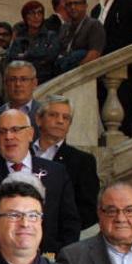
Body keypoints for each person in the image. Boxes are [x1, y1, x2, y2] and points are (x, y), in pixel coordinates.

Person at [0, 109, 81, 255]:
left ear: (30, 134)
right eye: (2, 131)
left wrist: (59, 257)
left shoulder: (57, 172)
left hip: (48, 259)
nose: (8, 136)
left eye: (15, 130)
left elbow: (70, 223)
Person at [32, 95, 100, 229]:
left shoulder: (82, 161)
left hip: (60, 239)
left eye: (66, 118)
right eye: (53, 115)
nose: (60, 121)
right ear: (39, 119)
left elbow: (88, 210)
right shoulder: (22, 153)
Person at [0, 61, 41, 160]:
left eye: (23, 79)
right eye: (12, 79)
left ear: (34, 83)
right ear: (5, 84)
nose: (18, 84)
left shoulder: (46, 116)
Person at [7, 1, 61, 84]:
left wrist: (26, 55)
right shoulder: (19, 39)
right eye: (32, 13)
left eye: (39, 13)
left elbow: (51, 55)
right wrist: (39, 57)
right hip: (23, 82)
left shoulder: (51, 36)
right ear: (25, 17)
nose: (36, 17)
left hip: (46, 81)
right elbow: (13, 59)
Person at [56, 0, 107, 72]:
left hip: (81, 74)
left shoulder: (94, 25)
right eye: (69, 4)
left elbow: (94, 54)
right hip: (62, 68)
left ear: (85, 6)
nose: (73, 7)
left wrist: (75, 73)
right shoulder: (64, 27)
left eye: (76, 3)